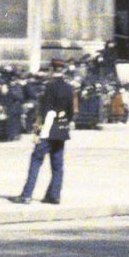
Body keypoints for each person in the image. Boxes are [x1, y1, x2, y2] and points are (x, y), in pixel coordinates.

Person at [15, 59, 76, 204]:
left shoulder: (49, 87)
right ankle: (54, 196)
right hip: (61, 127)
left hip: (48, 127)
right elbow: (70, 110)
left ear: (51, 70)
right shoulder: (69, 88)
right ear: (63, 70)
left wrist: (38, 131)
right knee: (57, 164)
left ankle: (26, 194)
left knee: (36, 160)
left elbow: (45, 109)